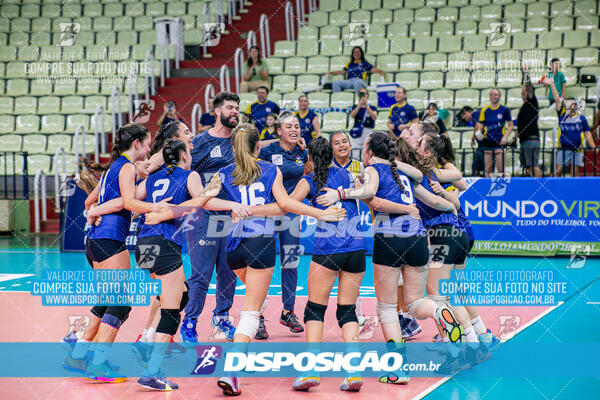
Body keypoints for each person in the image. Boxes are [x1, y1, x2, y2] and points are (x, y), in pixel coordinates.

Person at [145, 124, 346, 396]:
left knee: (255, 297)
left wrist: (232, 207)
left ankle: (251, 316)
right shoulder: (269, 170)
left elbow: (205, 201)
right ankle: (232, 370)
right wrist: (319, 214)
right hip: (259, 241)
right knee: (251, 311)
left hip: (233, 246)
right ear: (258, 146)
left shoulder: (224, 172)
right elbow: (284, 206)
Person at [317, 131, 466, 383]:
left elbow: (369, 194)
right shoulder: (404, 175)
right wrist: (451, 206)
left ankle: (399, 369)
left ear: (370, 151)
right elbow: (433, 200)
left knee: (386, 306)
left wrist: (339, 194)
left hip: (390, 237)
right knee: (416, 302)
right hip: (418, 237)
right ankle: (439, 312)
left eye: (363, 148)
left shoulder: (372, 169)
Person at [64, 124, 168, 383]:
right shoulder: (128, 167)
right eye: (146, 143)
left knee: (107, 301)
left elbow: (90, 201)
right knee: (120, 303)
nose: (148, 148)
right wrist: (156, 207)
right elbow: (129, 202)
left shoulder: (113, 167)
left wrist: (93, 212)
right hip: (110, 241)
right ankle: (97, 365)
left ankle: (78, 355)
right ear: (135, 143)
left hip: (97, 242)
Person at [287, 137, 367, 391]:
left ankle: (311, 369)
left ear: (309, 158)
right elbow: (365, 191)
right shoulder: (347, 175)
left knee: (314, 309)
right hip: (356, 248)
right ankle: (353, 371)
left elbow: (287, 204)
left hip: (328, 248)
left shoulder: (309, 181)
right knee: (347, 310)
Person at [180, 92, 241, 344]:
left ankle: (222, 319)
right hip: (203, 217)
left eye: (237, 108)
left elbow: (263, 147)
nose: (234, 111)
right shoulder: (201, 141)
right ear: (217, 111)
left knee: (229, 272)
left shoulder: (240, 142)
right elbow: (184, 172)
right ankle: (190, 321)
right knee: (201, 275)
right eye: (229, 107)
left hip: (232, 217)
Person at [256, 111, 309, 339]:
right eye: (288, 126)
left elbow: (309, 173)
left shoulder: (301, 152)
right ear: (279, 131)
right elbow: (253, 144)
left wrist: (305, 151)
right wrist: (276, 140)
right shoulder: (269, 151)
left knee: (290, 262)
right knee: (263, 265)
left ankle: (288, 312)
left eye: (296, 125)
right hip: (269, 212)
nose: (294, 129)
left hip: (291, 214)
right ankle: (257, 316)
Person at [545, 78, 596, 177]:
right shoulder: (562, 115)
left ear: (576, 107)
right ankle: (553, 187)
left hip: (577, 149)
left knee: (575, 171)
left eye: (573, 104)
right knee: (558, 171)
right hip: (563, 148)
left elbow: (588, 134)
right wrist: (552, 85)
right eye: (568, 104)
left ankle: (574, 191)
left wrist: (593, 147)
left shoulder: (581, 118)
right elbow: (556, 98)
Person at [475, 88, 514, 176]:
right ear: (489, 96)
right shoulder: (484, 110)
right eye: (492, 94)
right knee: (488, 170)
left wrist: (505, 137)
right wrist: (479, 133)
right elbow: (481, 126)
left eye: (495, 94)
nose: (493, 96)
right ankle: (487, 189)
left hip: (500, 142)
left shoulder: (504, 110)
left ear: (499, 96)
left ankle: (503, 188)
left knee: (501, 170)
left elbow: (511, 125)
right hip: (488, 142)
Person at [518, 65, 542, 177]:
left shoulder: (532, 103)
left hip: (531, 139)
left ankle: (541, 187)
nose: (524, 93)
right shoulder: (522, 108)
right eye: (522, 92)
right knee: (527, 167)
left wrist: (526, 74)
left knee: (533, 166)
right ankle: (533, 187)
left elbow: (529, 87)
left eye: (525, 91)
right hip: (524, 141)